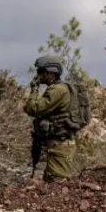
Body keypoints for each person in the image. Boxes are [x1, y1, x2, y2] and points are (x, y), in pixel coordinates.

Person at [25, 54, 80, 183]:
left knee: (57, 184)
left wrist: (34, 89)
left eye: (41, 72)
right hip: (54, 143)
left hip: (59, 145)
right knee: (48, 184)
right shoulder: (58, 89)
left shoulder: (58, 90)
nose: (38, 75)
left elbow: (33, 108)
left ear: (51, 73)